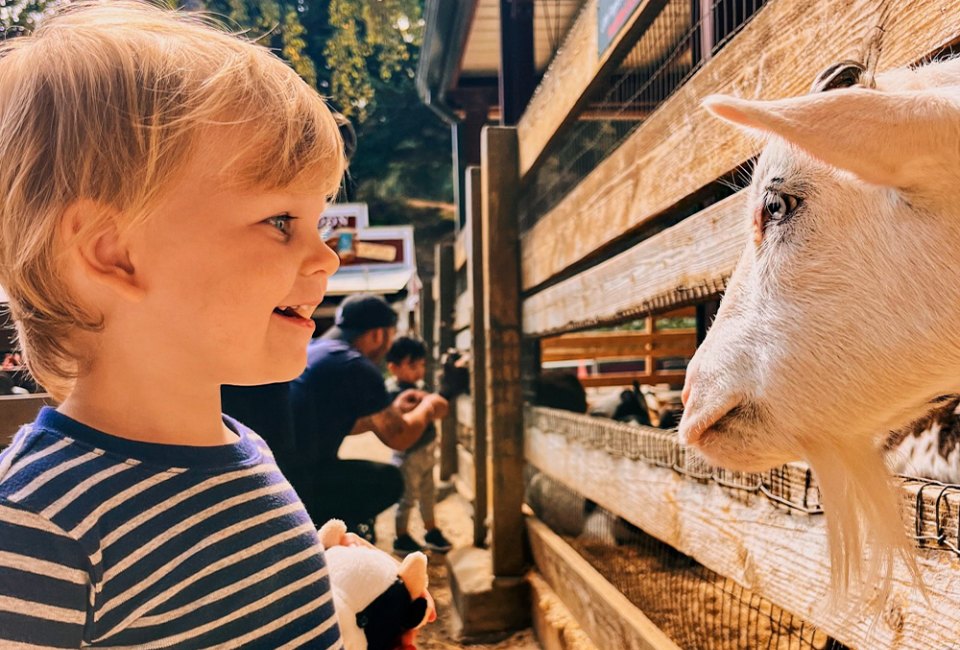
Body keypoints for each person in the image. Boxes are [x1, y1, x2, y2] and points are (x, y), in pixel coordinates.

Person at [0, 3, 430, 647]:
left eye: (320, 223)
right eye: (281, 220)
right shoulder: (35, 527)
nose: (326, 258)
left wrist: (313, 594)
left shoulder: (244, 450)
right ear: (113, 252)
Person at [289, 294, 449, 541]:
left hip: (281, 472)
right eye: (391, 335)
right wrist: (428, 406)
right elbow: (399, 438)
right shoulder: (356, 365)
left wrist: (392, 408)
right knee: (389, 480)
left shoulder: (316, 349)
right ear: (378, 334)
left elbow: (333, 420)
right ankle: (333, 532)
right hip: (301, 483)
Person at [385, 336, 453, 555]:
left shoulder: (420, 389)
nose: (419, 371)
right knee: (406, 497)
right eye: (413, 366)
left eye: (422, 365)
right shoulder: (394, 394)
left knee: (427, 494)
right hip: (408, 455)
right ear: (393, 368)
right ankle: (401, 536)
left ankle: (431, 530)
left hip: (426, 452)